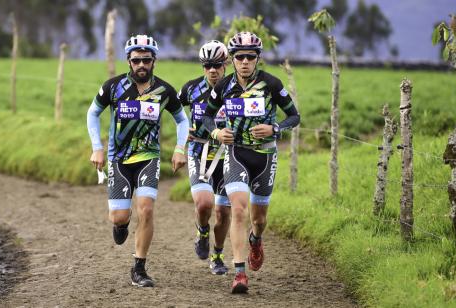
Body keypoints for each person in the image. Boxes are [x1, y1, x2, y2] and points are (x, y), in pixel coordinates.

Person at [87, 34, 189, 288]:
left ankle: (139, 268)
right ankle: (121, 224)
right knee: (119, 217)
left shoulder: (164, 90)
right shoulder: (113, 87)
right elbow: (93, 113)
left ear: (154, 61)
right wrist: (97, 148)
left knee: (147, 209)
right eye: (136, 60)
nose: (141, 65)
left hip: (149, 158)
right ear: (128, 61)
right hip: (119, 159)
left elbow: (182, 120)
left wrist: (179, 149)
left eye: (146, 60)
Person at [202, 32, 300, 293]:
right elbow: (207, 117)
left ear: (258, 59)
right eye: (239, 57)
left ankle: (256, 240)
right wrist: (216, 133)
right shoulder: (222, 86)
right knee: (238, 211)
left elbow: (294, 116)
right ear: (232, 59)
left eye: (250, 57)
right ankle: (239, 273)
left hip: (265, 156)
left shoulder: (271, 83)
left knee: (258, 219)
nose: (244, 62)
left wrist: (275, 129)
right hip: (236, 154)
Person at [178, 40, 231, 275]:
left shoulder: (236, 89)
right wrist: (182, 129)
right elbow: (172, 109)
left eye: (217, 65)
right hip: (199, 152)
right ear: (202, 67)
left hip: (229, 155)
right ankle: (202, 232)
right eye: (208, 65)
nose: (213, 70)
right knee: (204, 204)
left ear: (225, 65)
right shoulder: (190, 89)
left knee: (223, 212)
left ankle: (217, 256)